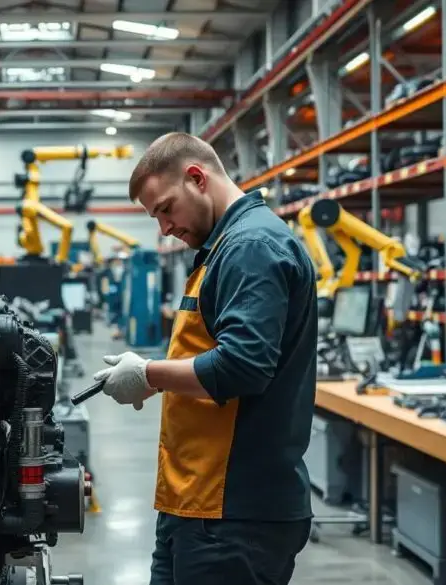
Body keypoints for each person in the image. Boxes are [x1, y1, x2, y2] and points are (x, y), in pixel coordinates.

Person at [92, 132, 317, 585]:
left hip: (235, 514)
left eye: (165, 209)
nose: (165, 229)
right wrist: (152, 371)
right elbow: (210, 351)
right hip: (195, 504)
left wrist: (149, 374)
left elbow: (244, 365)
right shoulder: (220, 248)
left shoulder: (252, 246)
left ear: (197, 178)